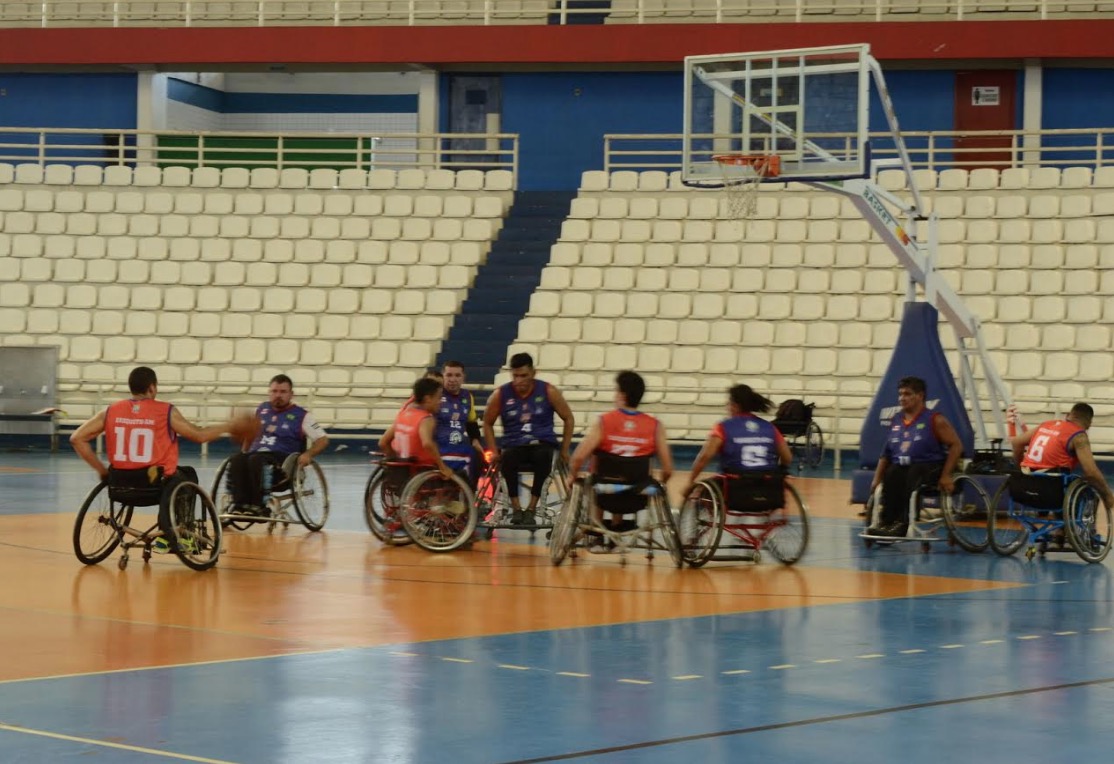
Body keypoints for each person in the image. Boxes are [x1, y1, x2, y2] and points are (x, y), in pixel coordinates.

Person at [69, 366, 244, 547]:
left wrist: (101, 470)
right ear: (152, 388)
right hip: (155, 485)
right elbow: (199, 436)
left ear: (131, 387)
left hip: (119, 485)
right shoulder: (165, 411)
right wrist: (229, 426)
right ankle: (177, 533)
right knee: (187, 474)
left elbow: (76, 438)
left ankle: (168, 530)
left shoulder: (110, 411)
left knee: (171, 476)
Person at [567, 371, 673, 552]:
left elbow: (577, 457)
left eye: (616, 391)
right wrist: (660, 483)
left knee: (597, 466)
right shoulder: (655, 425)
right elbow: (668, 469)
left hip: (604, 492)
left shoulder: (604, 421)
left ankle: (598, 534)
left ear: (622, 395)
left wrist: (572, 476)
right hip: (638, 494)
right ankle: (617, 527)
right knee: (627, 472)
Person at [483, 352, 574, 526]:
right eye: (515, 376)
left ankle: (532, 508)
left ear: (533, 373)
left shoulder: (548, 391)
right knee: (507, 459)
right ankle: (516, 509)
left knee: (543, 457)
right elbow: (487, 422)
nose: (519, 380)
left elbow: (568, 418)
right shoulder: (501, 394)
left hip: (541, 443)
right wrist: (493, 450)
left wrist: (564, 448)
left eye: (523, 375)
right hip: (515, 444)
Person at [867, 376, 963, 537]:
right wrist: (876, 479)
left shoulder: (935, 419)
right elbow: (886, 453)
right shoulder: (896, 420)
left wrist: (946, 475)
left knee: (914, 472)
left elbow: (956, 445)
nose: (902, 398)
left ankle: (903, 524)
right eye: (900, 394)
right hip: (903, 465)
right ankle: (887, 522)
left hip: (929, 466)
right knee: (892, 473)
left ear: (920, 396)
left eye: (907, 394)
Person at [226, 374, 329, 515]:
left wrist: (308, 454)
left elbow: (322, 439)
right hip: (257, 456)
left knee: (257, 460)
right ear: (269, 392)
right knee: (238, 459)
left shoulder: (302, 416)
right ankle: (239, 505)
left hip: (282, 465)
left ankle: (259, 505)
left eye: (282, 392)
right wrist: (243, 452)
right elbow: (251, 436)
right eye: (274, 391)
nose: (278, 395)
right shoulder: (261, 410)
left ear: (291, 394)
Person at [682, 383, 792, 499]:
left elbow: (705, 457)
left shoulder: (723, 427)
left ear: (735, 405)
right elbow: (787, 458)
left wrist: (690, 481)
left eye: (728, 403)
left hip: (734, 486)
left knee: (703, 493)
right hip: (766, 486)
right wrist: (780, 470)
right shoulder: (770, 427)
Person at [1012, 402, 1114, 511]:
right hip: (1050, 491)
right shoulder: (1079, 436)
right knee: (1088, 490)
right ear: (1088, 424)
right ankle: (1079, 526)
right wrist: (1108, 495)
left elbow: (1016, 442)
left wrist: (1019, 467)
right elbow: (1091, 471)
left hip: (1022, 486)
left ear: (1068, 415)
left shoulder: (1046, 425)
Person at [379, 377, 454, 480]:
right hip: (421, 469)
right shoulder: (426, 419)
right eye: (439, 398)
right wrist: (442, 467)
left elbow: (383, 442)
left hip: (404, 470)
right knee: (460, 472)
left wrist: (396, 460)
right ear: (428, 399)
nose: (441, 402)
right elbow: (427, 444)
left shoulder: (403, 414)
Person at [437, 360, 484, 481]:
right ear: (442, 377)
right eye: (449, 375)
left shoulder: (468, 397)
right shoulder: (435, 395)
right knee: (472, 458)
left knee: (480, 456)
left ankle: (467, 492)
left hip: (459, 446)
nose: (453, 379)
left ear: (464, 378)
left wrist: (475, 440)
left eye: (457, 375)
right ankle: (466, 492)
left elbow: (471, 422)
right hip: (440, 446)